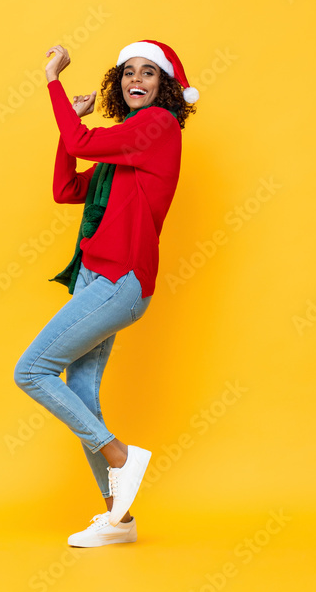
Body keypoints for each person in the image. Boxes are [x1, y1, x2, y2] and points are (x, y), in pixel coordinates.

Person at [13, 39, 199, 547]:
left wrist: (52, 81)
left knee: (31, 370)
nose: (136, 79)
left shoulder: (157, 128)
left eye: (149, 73)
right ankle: (119, 520)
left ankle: (120, 454)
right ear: (119, 84)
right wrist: (69, 124)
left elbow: (80, 144)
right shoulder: (125, 145)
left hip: (123, 279)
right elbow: (67, 187)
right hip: (98, 277)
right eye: (127, 72)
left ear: (165, 88)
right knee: (83, 394)